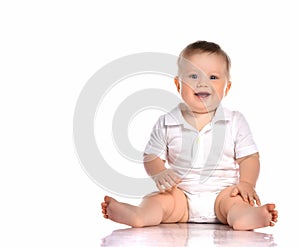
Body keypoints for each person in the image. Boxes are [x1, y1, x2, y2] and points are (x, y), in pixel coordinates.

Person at [101, 40, 278, 230]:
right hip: (181, 194)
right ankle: (139, 215)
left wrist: (246, 183)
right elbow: (152, 156)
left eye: (213, 77)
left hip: (224, 193)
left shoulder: (234, 121)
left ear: (227, 88)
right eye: (193, 76)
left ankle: (248, 217)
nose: (202, 82)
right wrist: (159, 172)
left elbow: (249, 157)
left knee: (236, 203)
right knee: (161, 201)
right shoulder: (167, 122)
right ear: (178, 84)